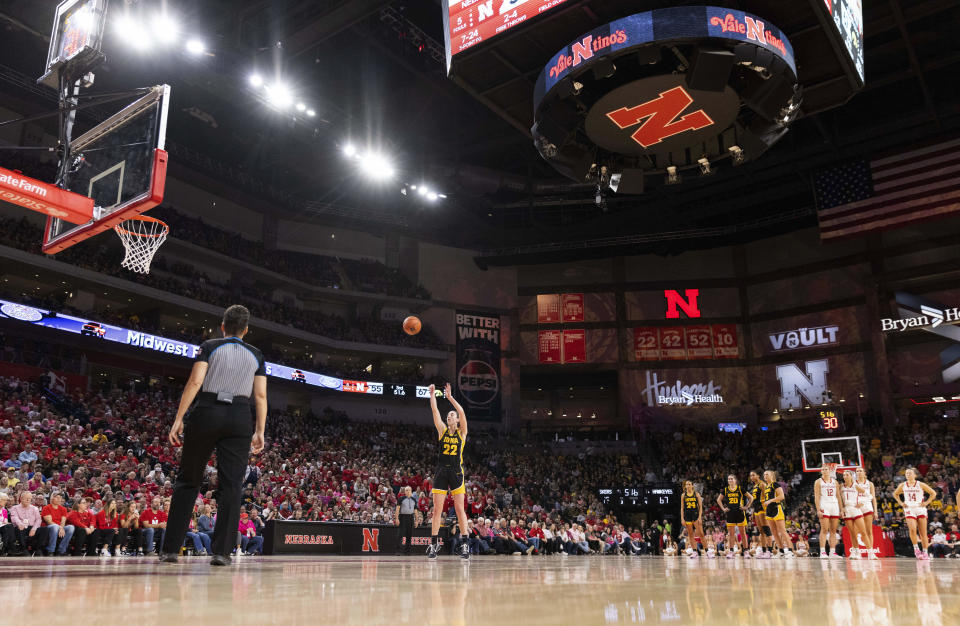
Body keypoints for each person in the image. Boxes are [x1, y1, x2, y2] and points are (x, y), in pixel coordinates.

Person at [161, 305, 268, 566]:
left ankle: (171, 550)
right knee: (232, 486)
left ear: (223, 326)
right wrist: (260, 430)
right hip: (240, 415)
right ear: (245, 329)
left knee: (189, 479)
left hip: (207, 410)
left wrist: (179, 419)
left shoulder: (209, 346)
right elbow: (261, 396)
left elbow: (195, 382)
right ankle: (222, 552)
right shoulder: (257, 354)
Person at [425, 382, 469, 560]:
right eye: (449, 414)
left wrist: (450, 398)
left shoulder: (462, 433)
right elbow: (435, 412)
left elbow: (462, 412)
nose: (449, 416)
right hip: (442, 471)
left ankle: (465, 544)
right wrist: (432, 395)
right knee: (437, 510)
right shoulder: (442, 430)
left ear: (456, 420)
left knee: (459, 509)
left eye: (452, 415)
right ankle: (433, 545)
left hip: (457, 472)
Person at [893, 467, 937, 560]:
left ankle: (925, 552)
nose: (908, 475)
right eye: (906, 473)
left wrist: (926, 502)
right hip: (909, 508)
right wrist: (901, 503)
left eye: (910, 473)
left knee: (923, 533)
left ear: (915, 475)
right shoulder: (902, 485)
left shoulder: (920, 484)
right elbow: (895, 494)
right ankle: (916, 549)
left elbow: (933, 493)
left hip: (920, 508)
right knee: (912, 529)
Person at [717, 474, 752, 558]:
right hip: (730, 513)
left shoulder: (740, 488)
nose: (730, 480)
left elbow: (751, 497)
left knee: (743, 533)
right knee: (731, 534)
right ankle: (731, 551)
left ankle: (746, 551)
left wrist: (746, 507)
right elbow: (718, 500)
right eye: (728, 479)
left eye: (731, 479)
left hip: (740, 513)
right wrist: (723, 509)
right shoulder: (725, 490)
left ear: (735, 480)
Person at [760, 470, 794, 558]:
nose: (765, 476)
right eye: (764, 475)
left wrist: (770, 500)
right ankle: (781, 551)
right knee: (774, 533)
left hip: (777, 508)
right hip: (768, 510)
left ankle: (790, 551)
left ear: (771, 475)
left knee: (782, 531)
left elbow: (782, 496)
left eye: (767, 474)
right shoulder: (766, 486)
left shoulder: (775, 484)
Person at [813, 466, 841, 558]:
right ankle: (823, 552)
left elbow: (838, 496)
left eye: (826, 469)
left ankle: (832, 552)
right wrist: (818, 509)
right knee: (824, 529)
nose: (825, 471)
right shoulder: (818, 481)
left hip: (834, 506)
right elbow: (817, 497)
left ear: (830, 471)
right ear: (821, 471)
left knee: (833, 531)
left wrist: (841, 509)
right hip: (824, 505)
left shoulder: (835, 482)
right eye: (823, 469)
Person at [839, 471, 868, 559]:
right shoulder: (841, 486)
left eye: (847, 475)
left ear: (851, 476)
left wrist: (861, 502)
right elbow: (839, 499)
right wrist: (842, 509)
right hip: (847, 510)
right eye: (844, 475)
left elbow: (868, 495)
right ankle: (856, 552)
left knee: (863, 532)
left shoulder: (855, 485)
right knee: (852, 533)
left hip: (855, 509)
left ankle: (870, 552)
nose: (845, 476)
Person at [855, 467, 878, 557]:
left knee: (869, 531)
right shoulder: (853, 484)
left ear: (864, 473)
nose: (859, 472)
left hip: (868, 507)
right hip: (857, 507)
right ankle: (857, 552)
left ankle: (870, 552)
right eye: (857, 471)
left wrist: (875, 511)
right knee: (857, 531)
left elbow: (873, 498)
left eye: (860, 471)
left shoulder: (870, 484)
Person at [748, 471, 771, 557]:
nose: (752, 477)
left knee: (766, 530)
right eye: (750, 475)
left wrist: (767, 509)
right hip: (756, 509)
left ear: (758, 475)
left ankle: (770, 551)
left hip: (762, 508)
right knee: (761, 531)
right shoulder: (754, 486)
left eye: (753, 475)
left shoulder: (762, 484)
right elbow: (754, 500)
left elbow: (767, 496)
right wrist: (753, 512)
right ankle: (764, 551)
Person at [680, 480, 704, 558]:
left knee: (701, 533)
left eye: (689, 484)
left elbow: (700, 507)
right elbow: (682, 508)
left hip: (695, 515)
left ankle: (707, 550)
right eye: (687, 484)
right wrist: (682, 518)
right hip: (688, 516)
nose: (688, 485)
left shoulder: (696, 494)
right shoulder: (683, 495)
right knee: (690, 535)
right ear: (685, 486)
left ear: (692, 486)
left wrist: (700, 517)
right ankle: (694, 551)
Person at [395, 485, 417, 555]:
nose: (408, 491)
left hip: (410, 517)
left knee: (409, 535)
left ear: (411, 491)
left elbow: (415, 511)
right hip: (402, 517)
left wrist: (416, 520)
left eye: (409, 490)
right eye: (406, 490)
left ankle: (407, 551)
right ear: (404, 491)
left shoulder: (414, 500)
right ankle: (398, 551)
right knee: (400, 535)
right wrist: (397, 518)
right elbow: (397, 509)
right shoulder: (401, 498)